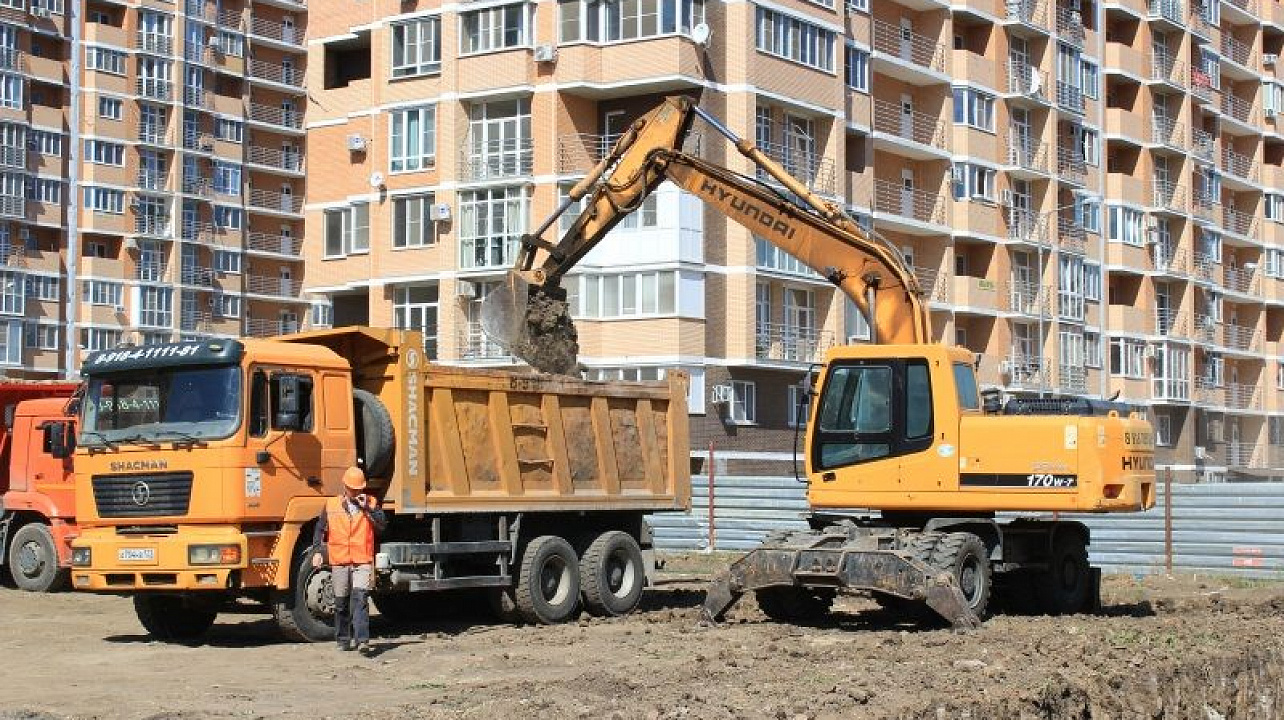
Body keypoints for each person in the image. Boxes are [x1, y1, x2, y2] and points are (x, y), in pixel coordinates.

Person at [312, 466, 387, 654]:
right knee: (341, 602)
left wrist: (368, 507)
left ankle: (363, 641)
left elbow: (382, 525)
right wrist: (318, 551)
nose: (356, 492)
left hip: (361, 559)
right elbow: (320, 529)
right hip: (340, 560)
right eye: (353, 489)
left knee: (361, 598)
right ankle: (343, 639)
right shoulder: (331, 505)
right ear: (345, 486)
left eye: (359, 489)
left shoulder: (370, 503)